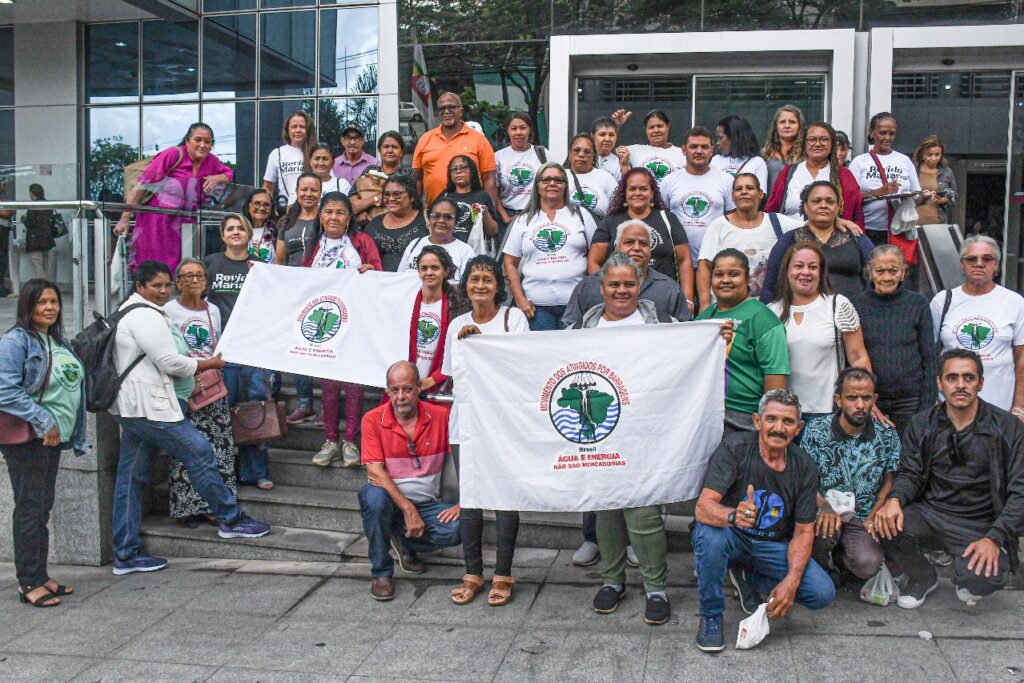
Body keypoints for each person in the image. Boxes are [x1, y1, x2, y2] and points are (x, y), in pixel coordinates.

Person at [109, 260, 270, 575]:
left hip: (136, 407)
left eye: (166, 284)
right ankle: (231, 518)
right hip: (151, 408)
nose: (164, 290)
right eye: (157, 285)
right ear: (140, 286)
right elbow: (171, 362)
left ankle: (125, 553)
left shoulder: (137, 310)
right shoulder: (144, 315)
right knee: (198, 452)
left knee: (131, 477)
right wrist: (208, 365)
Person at [874, 349, 1023, 608]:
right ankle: (923, 577)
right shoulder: (923, 423)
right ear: (940, 383)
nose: (960, 385)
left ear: (981, 383)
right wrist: (895, 499)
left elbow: (1020, 490)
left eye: (968, 378)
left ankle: (970, 570)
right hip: (932, 513)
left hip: (981, 522)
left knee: (983, 580)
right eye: (952, 378)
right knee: (886, 522)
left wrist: (995, 537)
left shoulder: (1007, 427)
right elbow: (911, 472)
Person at [692, 389, 835, 652]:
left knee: (822, 593)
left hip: (772, 545)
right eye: (771, 419)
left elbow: (804, 531)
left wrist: (791, 582)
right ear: (757, 421)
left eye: (788, 422)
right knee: (709, 535)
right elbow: (702, 508)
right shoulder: (735, 449)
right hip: (733, 536)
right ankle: (711, 615)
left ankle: (746, 576)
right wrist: (733, 515)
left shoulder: (804, 466)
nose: (778, 428)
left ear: (799, 427)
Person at [576, 251, 675, 625]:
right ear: (601, 288)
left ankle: (656, 588)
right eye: (614, 284)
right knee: (606, 509)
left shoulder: (660, 322)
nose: (621, 290)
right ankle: (612, 580)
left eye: (629, 284)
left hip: (645, 431)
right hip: (600, 432)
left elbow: (685, 355)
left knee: (645, 511)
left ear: (640, 286)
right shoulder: (585, 327)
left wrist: (715, 336)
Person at [443, 255, 530, 606]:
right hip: (465, 423)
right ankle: (473, 571)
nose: (480, 285)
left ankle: (504, 573)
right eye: (474, 279)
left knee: (506, 498)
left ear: (498, 286)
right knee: (472, 500)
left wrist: (483, 344)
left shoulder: (514, 319)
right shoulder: (455, 326)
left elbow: (522, 369)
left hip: (504, 425)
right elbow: (455, 375)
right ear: (465, 285)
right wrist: (468, 343)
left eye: (487, 279)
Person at [0, 279, 88, 607]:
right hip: (29, 438)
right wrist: (44, 419)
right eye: (41, 303)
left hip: (52, 439)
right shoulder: (16, 342)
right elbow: (5, 390)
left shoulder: (56, 340)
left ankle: (40, 574)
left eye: (53, 302)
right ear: (27, 306)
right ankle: (29, 582)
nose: (50, 308)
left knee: (42, 506)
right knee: (31, 508)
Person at [358, 360, 462, 601]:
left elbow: (465, 459)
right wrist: (407, 509)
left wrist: (462, 502)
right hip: (392, 501)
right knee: (373, 496)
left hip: (427, 505)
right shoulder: (372, 419)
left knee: (461, 526)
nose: (401, 396)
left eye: (407, 389)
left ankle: (405, 543)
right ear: (388, 392)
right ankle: (382, 572)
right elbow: (374, 472)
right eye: (395, 390)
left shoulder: (441, 416)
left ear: (418, 389)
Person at [302, 192, 381, 468]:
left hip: (355, 323)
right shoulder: (314, 245)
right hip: (326, 325)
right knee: (329, 385)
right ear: (320, 216)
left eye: (340, 212)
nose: (333, 217)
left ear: (349, 218)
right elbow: (301, 282)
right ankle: (330, 440)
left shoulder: (361, 242)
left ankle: (350, 442)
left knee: (353, 383)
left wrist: (370, 271)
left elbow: (378, 278)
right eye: (328, 212)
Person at [801, 368, 900, 580]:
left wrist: (873, 516)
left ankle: (841, 561)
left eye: (866, 398)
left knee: (868, 563)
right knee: (824, 532)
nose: (860, 405)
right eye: (852, 398)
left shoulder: (887, 434)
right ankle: (820, 569)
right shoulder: (817, 430)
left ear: (874, 399)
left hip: (861, 515)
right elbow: (804, 478)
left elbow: (889, 481)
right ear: (838, 399)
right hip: (824, 509)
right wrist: (824, 506)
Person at [203, 214, 275, 491]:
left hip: (253, 348)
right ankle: (223, 470)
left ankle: (255, 471)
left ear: (248, 234)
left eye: (240, 228)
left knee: (254, 408)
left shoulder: (258, 266)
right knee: (222, 411)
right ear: (222, 235)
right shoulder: (210, 263)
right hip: (221, 351)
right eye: (229, 229)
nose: (235, 233)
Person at [164, 258, 237, 526]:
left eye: (199, 276)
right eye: (188, 276)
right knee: (186, 450)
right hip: (183, 386)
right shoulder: (168, 310)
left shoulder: (213, 310)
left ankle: (216, 505)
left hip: (212, 387)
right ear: (178, 281)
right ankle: (188, 507)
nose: (195, 280)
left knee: (219, 448)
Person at [768, 241, 873, 425]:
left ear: (821, 272)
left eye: (813, 267)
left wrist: (864, 400)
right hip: (785, 417)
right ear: (786, 270)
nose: (805, 272)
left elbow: (858, 357)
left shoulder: (838, 305)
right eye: (798, 266)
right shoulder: (771, 312)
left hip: (828, 414)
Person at [114, 122, 232, 273]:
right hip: (157, 223)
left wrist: (217, 177)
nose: (202, 145)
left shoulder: (211, 161)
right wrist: (125, 218)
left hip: (185, 225)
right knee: (151, 268)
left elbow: (229, 173)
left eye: (207, 141)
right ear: (188, 141)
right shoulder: (173, 154)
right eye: (198, 140)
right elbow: (141, 186)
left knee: (181, 269)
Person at [696, 249, 790, 433]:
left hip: (745, 420)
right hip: (704, 415)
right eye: (719, 274)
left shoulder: (764, 319)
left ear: (747, 279)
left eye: (734, 274)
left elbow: (775, 378)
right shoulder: (703, 319)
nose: (725, 280)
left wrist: (768, 424)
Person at [931, 235, 1024, 413]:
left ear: (996, 264)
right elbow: (929, 355)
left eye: (987, 259)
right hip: (950, 409)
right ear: (962, 263)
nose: (979, 263)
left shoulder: (1014, 302)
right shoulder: (942, 301)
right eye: (971, 259)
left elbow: (1021, 358)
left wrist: (1020, 406)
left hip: (1000, 409)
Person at [851, 245, 937, 436]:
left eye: (893, 270)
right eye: (880, 271)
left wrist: (925, 409)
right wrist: (863, 399)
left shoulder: (918, 303)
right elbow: (850, 357)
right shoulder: (855, 305)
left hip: (910, 401)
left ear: (903, 273)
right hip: (869, 400)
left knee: (910, 459)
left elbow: (930, 358)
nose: (887, 277)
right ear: (870, 273)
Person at [502, 162, 598, 331]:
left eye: (558, 180)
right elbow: (509, 263)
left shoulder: (582, 216)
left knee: (574, 356)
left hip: (576, 305)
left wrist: (593, 296)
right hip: (537, 309)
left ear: (565, 185)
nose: (552, 183)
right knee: (542, 356)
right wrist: (520, 299)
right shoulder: (523, 220)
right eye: (546, 179)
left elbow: (597, 257)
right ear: (537, 185)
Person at [588, 168, 693, 301]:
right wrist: (603, 293)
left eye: (643, 189)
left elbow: (684, 260)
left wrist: (688, 299)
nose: (637, 193)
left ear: (652, 193)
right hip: (620, 299)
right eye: (632, 189)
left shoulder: (668, 220)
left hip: (663, 297)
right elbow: (595, 261)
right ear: (625, 193)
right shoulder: (610, 222)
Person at [563, 219, 690, 329]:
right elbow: (570, 335)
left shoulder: (670, 289)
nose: (636, 248)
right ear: (616, 247)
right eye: (629, 242)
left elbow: (685, 334)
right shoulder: (588, 286)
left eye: (643, 243)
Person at [849, 112, 928, 286]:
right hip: (867, 230)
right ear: (872, 133)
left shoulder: (904, 161)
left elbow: (917, 195)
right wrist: (879, 192)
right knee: (869, 276)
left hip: (898, 231)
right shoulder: (860, 162)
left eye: (892, 133)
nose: (887, 138)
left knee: (895, 277)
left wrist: (915, 198)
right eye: (883, 132)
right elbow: (849, 199)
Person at [761, 181, 874, 302]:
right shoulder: (788, 240)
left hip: (852, 314)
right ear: (805, 206)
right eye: (816, 201)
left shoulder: (857, 238)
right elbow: (770, 286)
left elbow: (875, 277)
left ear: (838, 207)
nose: (823, 205)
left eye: (830, 201)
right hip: (801, 315)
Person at [698, 173, 800, 306]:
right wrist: (705, 306)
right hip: (726, 308)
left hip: (768, 309)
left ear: (761, 194)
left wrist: (835, 223)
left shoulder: (778, 222)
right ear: (732, 197)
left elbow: (812, 227)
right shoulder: (718, 226)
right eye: (739, 189)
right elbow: (704, 266)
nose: (744, 192)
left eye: (750, 188)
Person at [660, 126, 737, 274]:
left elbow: (733, 219)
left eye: (704, 147)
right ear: (683, 150)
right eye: (693, 146)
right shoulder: (668, 181)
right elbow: (662, 219)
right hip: (677, 261)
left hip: (716, 262)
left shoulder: (726, 180)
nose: (699, 151)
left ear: (712, 150)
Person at [764, 121, 864, 231]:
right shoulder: (788, 173)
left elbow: (857, 216)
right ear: (804, 144)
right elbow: (771, 211)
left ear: (832, 144)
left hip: (832, 243)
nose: (817, 144)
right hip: (791, 242)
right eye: (812, 139)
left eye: (824, 139)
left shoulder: (845, 176)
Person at [413, 92, 499, 207]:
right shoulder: (425, 139)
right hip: (435, 215)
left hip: (471, 213)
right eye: (442, 108)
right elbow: (417, 180)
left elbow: (489, 179)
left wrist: (490, 213)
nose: (447, 111)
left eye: (451, 107)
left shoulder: (479, 140)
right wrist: (414, 210)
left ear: (461, 111)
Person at [406, 245, 469, 398]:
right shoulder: (406, 301)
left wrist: (431, 381)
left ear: (446, 271)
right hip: (406, 385)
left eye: (435, 268)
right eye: (424, 268)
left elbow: (460, 350)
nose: (429, 273)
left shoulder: (459, 306)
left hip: (440, 387)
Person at [398, 197, 476, 284]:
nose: (441, 220)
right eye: (436, 216)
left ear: (456, 222)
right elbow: (399, 278)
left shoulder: (465, 251)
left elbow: (468, 286)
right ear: (428, 218)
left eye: (448, 217)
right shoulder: (415, 244)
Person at [363, 174, 429, 272]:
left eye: (397, 194)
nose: (391, 199)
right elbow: (364, 256)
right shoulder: (375, 224)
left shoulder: (426, 221)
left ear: (412, 197)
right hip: (381, 283)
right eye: (386, 194)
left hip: (417, 283)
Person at [495, 112, 548, 224]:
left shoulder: (542, 153)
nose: (518, 132)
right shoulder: (499, 157)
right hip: (508, 215)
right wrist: (505, 218)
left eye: (523, 128)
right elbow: (494, 192)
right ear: (508, 131)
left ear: (530, 130)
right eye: (513, 128)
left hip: (537, 215)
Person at [351, 131, 413, 222]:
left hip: (397, 224)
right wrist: (358, 210)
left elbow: (402, 198)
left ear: (401, 152)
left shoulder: (407, 175)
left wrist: (369, 201)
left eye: (395, 147)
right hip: (367, 227)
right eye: (386, 147)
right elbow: (353, 192)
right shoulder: (370, 170)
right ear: (380, 151)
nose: (390, 150)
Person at [612, 109, 686, 184]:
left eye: (660, 126)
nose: (656, 130)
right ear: (646, 130)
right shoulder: (636, 150)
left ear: (668, 126)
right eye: (651, 127)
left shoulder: (681, 153)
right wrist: (617, 125)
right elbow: (610, 150)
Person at [261, 110, 317, 210]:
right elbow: (267, 188)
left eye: (302, 127)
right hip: (286, 211)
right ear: (288, 130)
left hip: (312, 211)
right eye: (294, 127)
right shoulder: (277, 154)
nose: (298, 130)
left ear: (307, 130)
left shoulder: (316, 153)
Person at [442, 155, 498, 242]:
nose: (458, 171)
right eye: (454, 169)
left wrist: (485, 214)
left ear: (472, 171)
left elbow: (493, 232)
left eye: (463, 168)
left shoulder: (482, 196)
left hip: (474, 250)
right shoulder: (445, 197)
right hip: (447, 247)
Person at [564, 133, 618, 220]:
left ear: (593, 155)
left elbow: (618, 210)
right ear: (569, 154)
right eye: (577, 150)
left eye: (587, 151)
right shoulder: (560, 177)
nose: (581, 155)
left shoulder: (605, 178)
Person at [274, 173, 322, 267]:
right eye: (304, 189)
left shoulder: (328, 220)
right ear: (296, 192)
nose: (308, 194)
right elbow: (279, 261)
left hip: (321, 278)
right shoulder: (287, 222)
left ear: (321, 192)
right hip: (293, 279)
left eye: (314, 190)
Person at [710, 115, 769, 190]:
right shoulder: (716, 161)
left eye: (721, 137)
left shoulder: (757, 162)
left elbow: (761, 196)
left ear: (734, 137)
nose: (717, 143)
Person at [913, 135, 958, 226]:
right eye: (929, 155)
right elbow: (904, 199)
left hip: (938, 223)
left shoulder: (947, 172)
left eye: (937, 154)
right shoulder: (913, 170)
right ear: (922, 154)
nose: (934, 158)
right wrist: (923, 196)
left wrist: (944, 200)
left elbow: (954, 199)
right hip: (913, 223)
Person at [763, 105, 806, 193]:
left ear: (800, 126)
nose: (787, 126)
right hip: (770, 205)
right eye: (782, 122)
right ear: (776, 126)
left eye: (792, 122)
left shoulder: (806, 154)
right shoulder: (764, 154)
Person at [21, 184, 57, 279]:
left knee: (37, 263)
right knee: (46, 263)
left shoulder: (33, 205)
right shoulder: (48, 205)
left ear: (32, 193)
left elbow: (31, 222)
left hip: (35, 239)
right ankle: (48, 284)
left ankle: (42, 285)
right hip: (47, 237)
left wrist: (24, 220)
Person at [242, 188, 277, 264]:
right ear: (248, 206)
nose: (261, 208)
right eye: (257, 203)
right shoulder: (239, 230)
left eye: (266, 205)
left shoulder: (277, 232)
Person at [591, 116, 622, 181]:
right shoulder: (583, 158)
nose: (607, 139)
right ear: (593, 136)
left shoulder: (620, 161)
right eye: (602, 134)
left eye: (611, 135)